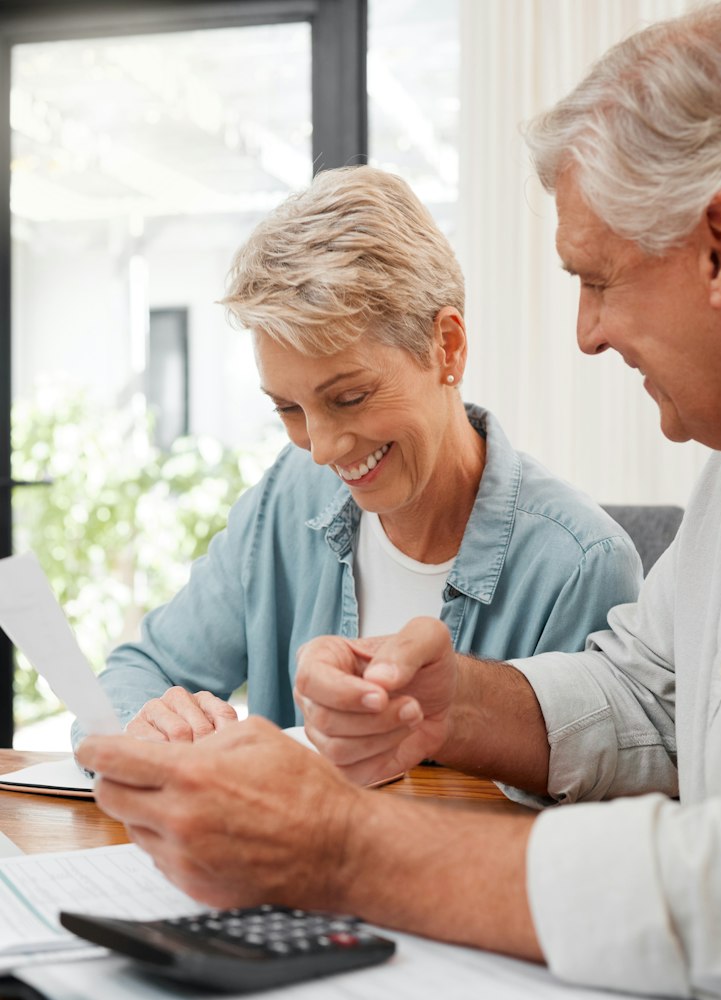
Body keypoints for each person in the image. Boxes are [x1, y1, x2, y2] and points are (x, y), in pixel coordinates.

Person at [78, 2, 721, 997]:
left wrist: (339, 845)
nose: (586, 334)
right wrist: (449, 704)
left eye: (597, 280)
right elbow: (650, 697)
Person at [75, 165, 641, 747]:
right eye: (288, 408)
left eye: (349, 398)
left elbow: (580, 793)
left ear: (447, 346)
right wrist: (146, 722)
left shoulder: (579, 567)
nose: (321, 449)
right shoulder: (289, 498)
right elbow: (137, 672)